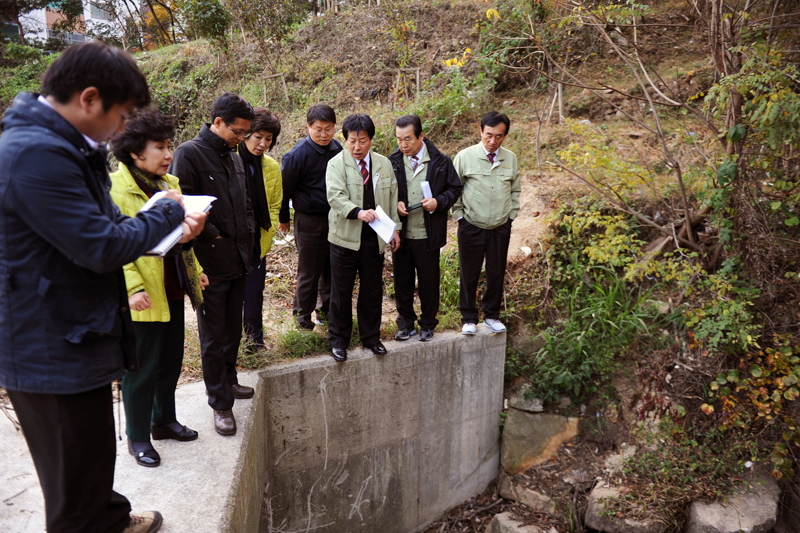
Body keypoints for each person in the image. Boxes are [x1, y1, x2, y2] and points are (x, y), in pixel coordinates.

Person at [0, 42, 206, 533]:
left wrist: (164, 229)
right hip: (47, 343)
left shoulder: (67, 147)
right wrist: (166, 210)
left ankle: (109, 517)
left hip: (73, 328)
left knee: (91, 447)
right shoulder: (35, 155)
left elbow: (112, 223)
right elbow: (99, 245)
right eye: (122, 114)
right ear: (89, 98)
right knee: (71, 477)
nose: (122, 128)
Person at [109, 108, 209, 468]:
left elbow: (183, 239)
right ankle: (138, 437)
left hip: (171, 286)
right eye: (160, 147)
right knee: (140, 368)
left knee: (170, 361)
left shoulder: (172, 185)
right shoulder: (115, 189)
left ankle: (163, 419)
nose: (169, 154)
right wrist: (133, 289)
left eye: (169, 146)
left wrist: (194, 271)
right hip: (141, 295)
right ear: (135, 152)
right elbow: (115, 247)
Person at [169, 92, 256, 436]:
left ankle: (229, 380)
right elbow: (182, 210)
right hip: (208, 265)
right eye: (238, 132)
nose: (241, 139)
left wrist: (247, 229)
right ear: (218, 122)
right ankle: (219, 403)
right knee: (212, 335)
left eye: (245, 134)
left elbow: (245, 200)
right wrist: (216, 235)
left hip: (238, 258)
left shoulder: (234, 157)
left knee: (232, 329)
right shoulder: (188, 154)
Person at [326, 113, 401, 362]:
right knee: (341, 292)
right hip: (344, 239)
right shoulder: (336, 164)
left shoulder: (383, 164)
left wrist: (394, 229)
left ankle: (371, 337)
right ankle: (338, 340)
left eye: (362, 141)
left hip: (374, 239)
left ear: (371, 140)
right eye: (351, 141)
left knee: (371, 290)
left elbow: (391, 197)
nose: (357, 147)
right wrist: (358, 212)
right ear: (345, 139)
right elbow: (335, 197)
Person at [389, 115, 463, 342]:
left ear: (421, 135)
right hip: (401, 234)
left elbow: (455, 188)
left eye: (408, 139)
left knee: (429, 281)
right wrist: (396, 205)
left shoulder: (440, 161)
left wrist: (438, 202)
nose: (403, 145)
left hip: (427, 234)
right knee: (402, 281)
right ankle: (405, 323)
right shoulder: (392, 161)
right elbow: (384, 191)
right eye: (399, 139)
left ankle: (428, 324)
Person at [452, 111, 521, 335]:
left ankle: (492, 315)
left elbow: (515, 190)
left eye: (498, 136)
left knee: (496, 272)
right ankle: (468, 317)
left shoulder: (510, 158)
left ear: (505, 136)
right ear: (480, 131)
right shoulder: (464, 157)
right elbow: (454, 189)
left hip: (500, 226)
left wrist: (511, 216)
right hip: (471, 224)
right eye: (488, 135)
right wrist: (460, 217)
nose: (492, 141)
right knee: (469, 273)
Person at [279, 104, 342, 330]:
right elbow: (284, 189)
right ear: (308, 127)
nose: (324, 135)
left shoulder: (338, 149)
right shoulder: (297, 155)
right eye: (318, 129)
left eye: (328, 129)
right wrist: (284, 217)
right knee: (309, 271)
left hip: (336, 219)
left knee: (331, 269)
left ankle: (326, 314)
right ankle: (302, 319)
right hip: (309, 220)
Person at [239, 107, 283, 350]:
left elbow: (275, 204)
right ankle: (232, 340)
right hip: (233, 239)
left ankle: (254, 340)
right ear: (246, 133)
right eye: (258, 137)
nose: (263, 143)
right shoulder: (229, 159)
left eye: (268, 139)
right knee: (232, 294)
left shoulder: (271, 166)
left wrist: (271, 228)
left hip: (258, 238)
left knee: (255, 291)